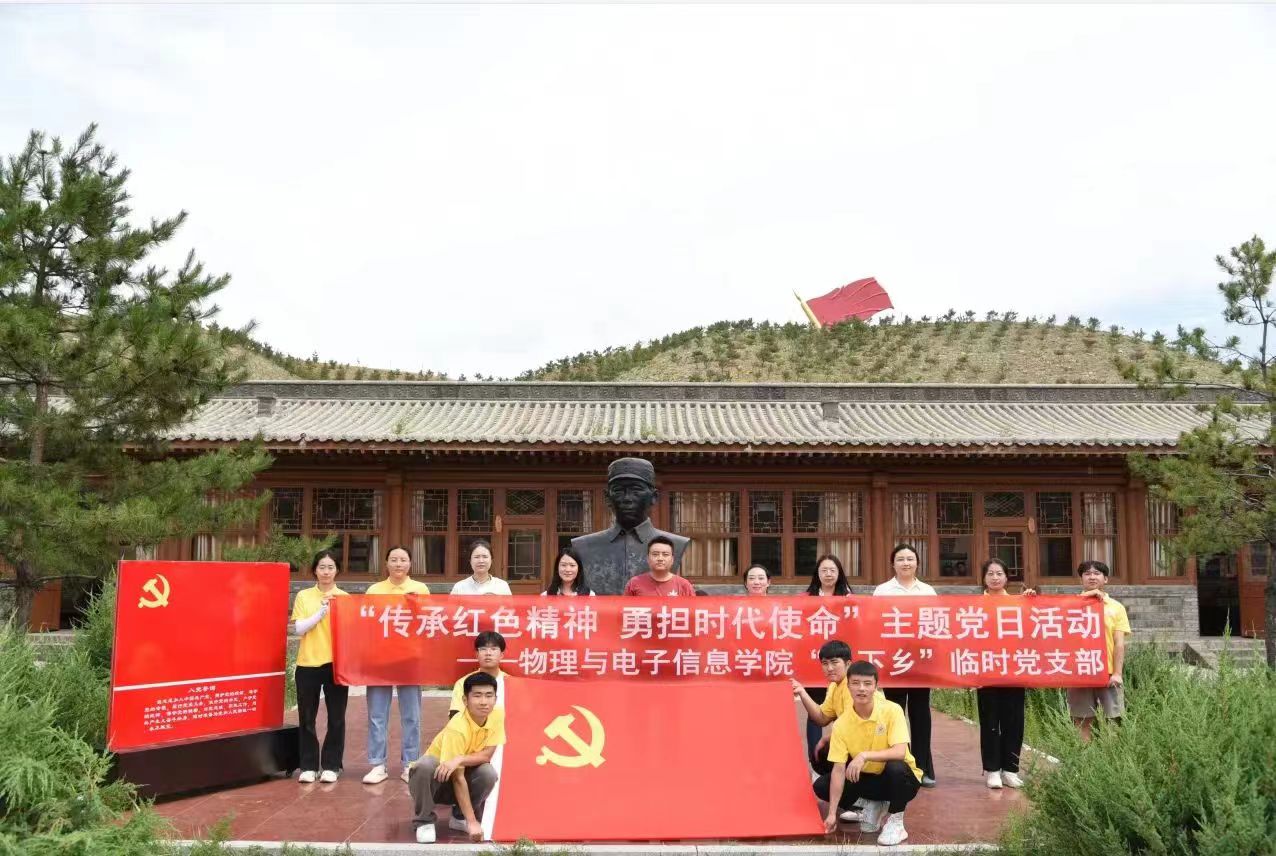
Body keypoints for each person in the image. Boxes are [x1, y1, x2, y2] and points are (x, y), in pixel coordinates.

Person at [814, 660, 922, 846]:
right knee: (822, 785)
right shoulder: (842, 724)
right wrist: (831, 814)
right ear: (848, 686)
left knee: (896, 767)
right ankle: (872, 805)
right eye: (856, 683)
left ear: (876, 687)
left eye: (867, 683)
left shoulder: (892, 710)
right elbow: (839, 769)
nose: (861, 689)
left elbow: (900, 751)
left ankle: (896, 821)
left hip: (902, 781)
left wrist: (864, 756)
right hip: (869, 779)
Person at [571, 457, 690, 594]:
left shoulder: (676, 544)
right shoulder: (583, 546)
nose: (627, 498)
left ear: (654, 497)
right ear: (607, 497)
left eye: (636, 490)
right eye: (619, 490)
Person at [409, 672, 504, 844]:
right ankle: (424, 821)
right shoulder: (457, 727)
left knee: (488, 773)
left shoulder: (497, 716)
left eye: (489, 695)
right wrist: (472, 822)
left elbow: (487, 754)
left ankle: (459, 817)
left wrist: (459, 759)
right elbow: (457, 778)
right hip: (436, 783)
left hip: (459, 774)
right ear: (465, 700)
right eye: (477, 695)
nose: (484, 701)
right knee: (425, 765)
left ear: (495, 699)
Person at [363, 545, 430, 785]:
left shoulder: (420, 589)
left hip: (409, 658)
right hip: (380, 659)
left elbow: (429, 622)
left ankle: (410, 763)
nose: (398, 564)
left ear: (410, 564)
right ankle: (377, 764)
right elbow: (365, 623)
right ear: (386, 563)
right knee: (377, 714)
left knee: (411, 715)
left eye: (403, 560)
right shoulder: (374, 590)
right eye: (394, 559)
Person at [872, 543, 937, 787]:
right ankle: (899, 768)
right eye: (900, 559)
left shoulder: (928, 591)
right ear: (893, 564)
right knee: (895, 713)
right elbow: (874, 623)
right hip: (894, 661)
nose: (906, 563)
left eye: (910, 558)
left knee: (921, 714)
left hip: (921, 661)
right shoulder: (882, 591)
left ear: (917, 562)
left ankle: (923, 767)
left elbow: (936, 625)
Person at [289, 550, 350, 783]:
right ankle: (308, 765)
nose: (326, 572)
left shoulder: (344, 598)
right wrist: (321, 612)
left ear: (337, 571)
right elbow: (299, 628)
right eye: (322, 567)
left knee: (336, 717)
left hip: (336, 664)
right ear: (315, 570)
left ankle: (332, 765)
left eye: (330, 567)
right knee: (307, 717)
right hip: (308, 663)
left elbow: (351, 632)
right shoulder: (304, 596)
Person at [976, 558, 1035, 789]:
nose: (995, 578)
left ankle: (1010, 769)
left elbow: (1032, 629)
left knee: (1014, 721)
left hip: (1014, 668)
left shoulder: (1018, 603)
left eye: (999, 573)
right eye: (990, 573)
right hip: (987, 669)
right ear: (983, 578)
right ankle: (992, 770)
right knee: (989, 721)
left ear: (1007, 577)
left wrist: (1031, 602)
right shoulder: (975, 605)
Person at [1067, 559, 1131, 741]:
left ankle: (1111, 757)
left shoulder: (1116, 607)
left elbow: (1119, 643)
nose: (1092, 577)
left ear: (1106, 579)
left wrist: (1117, 673)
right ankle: (1084, 758)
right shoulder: (1070, 605)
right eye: (1087, 573)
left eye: (1097, 573)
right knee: (1081, 720)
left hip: (1107, 673)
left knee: (1112, 720)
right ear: (1081, 579)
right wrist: (1086, 598)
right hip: (1079, 671)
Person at [801, 555, 851, 762]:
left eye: (832, 570)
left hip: (838, 663)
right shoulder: (805, 598)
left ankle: (841, 756)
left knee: (842, 711)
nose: (828, 574)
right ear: (817, 574)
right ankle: (816, 761)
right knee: (815, 713)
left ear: (839, 573)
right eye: (824, 570)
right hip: (814, 661)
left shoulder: (850, 599)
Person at [448, 631, 510, 717]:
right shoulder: (463, 683)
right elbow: (455, 717)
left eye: (493, 649)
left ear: (502, 655)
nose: (488, 653)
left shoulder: (511, 683)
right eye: (483, 649)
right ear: (477, 654)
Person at [623, 535, 696, 596]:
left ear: (672, 559)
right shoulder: (634, 583)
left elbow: (693, 608)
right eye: (655, 554)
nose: (660, 558)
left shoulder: (684, 585)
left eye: (665, 554)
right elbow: (624, 607)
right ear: (648, 559)